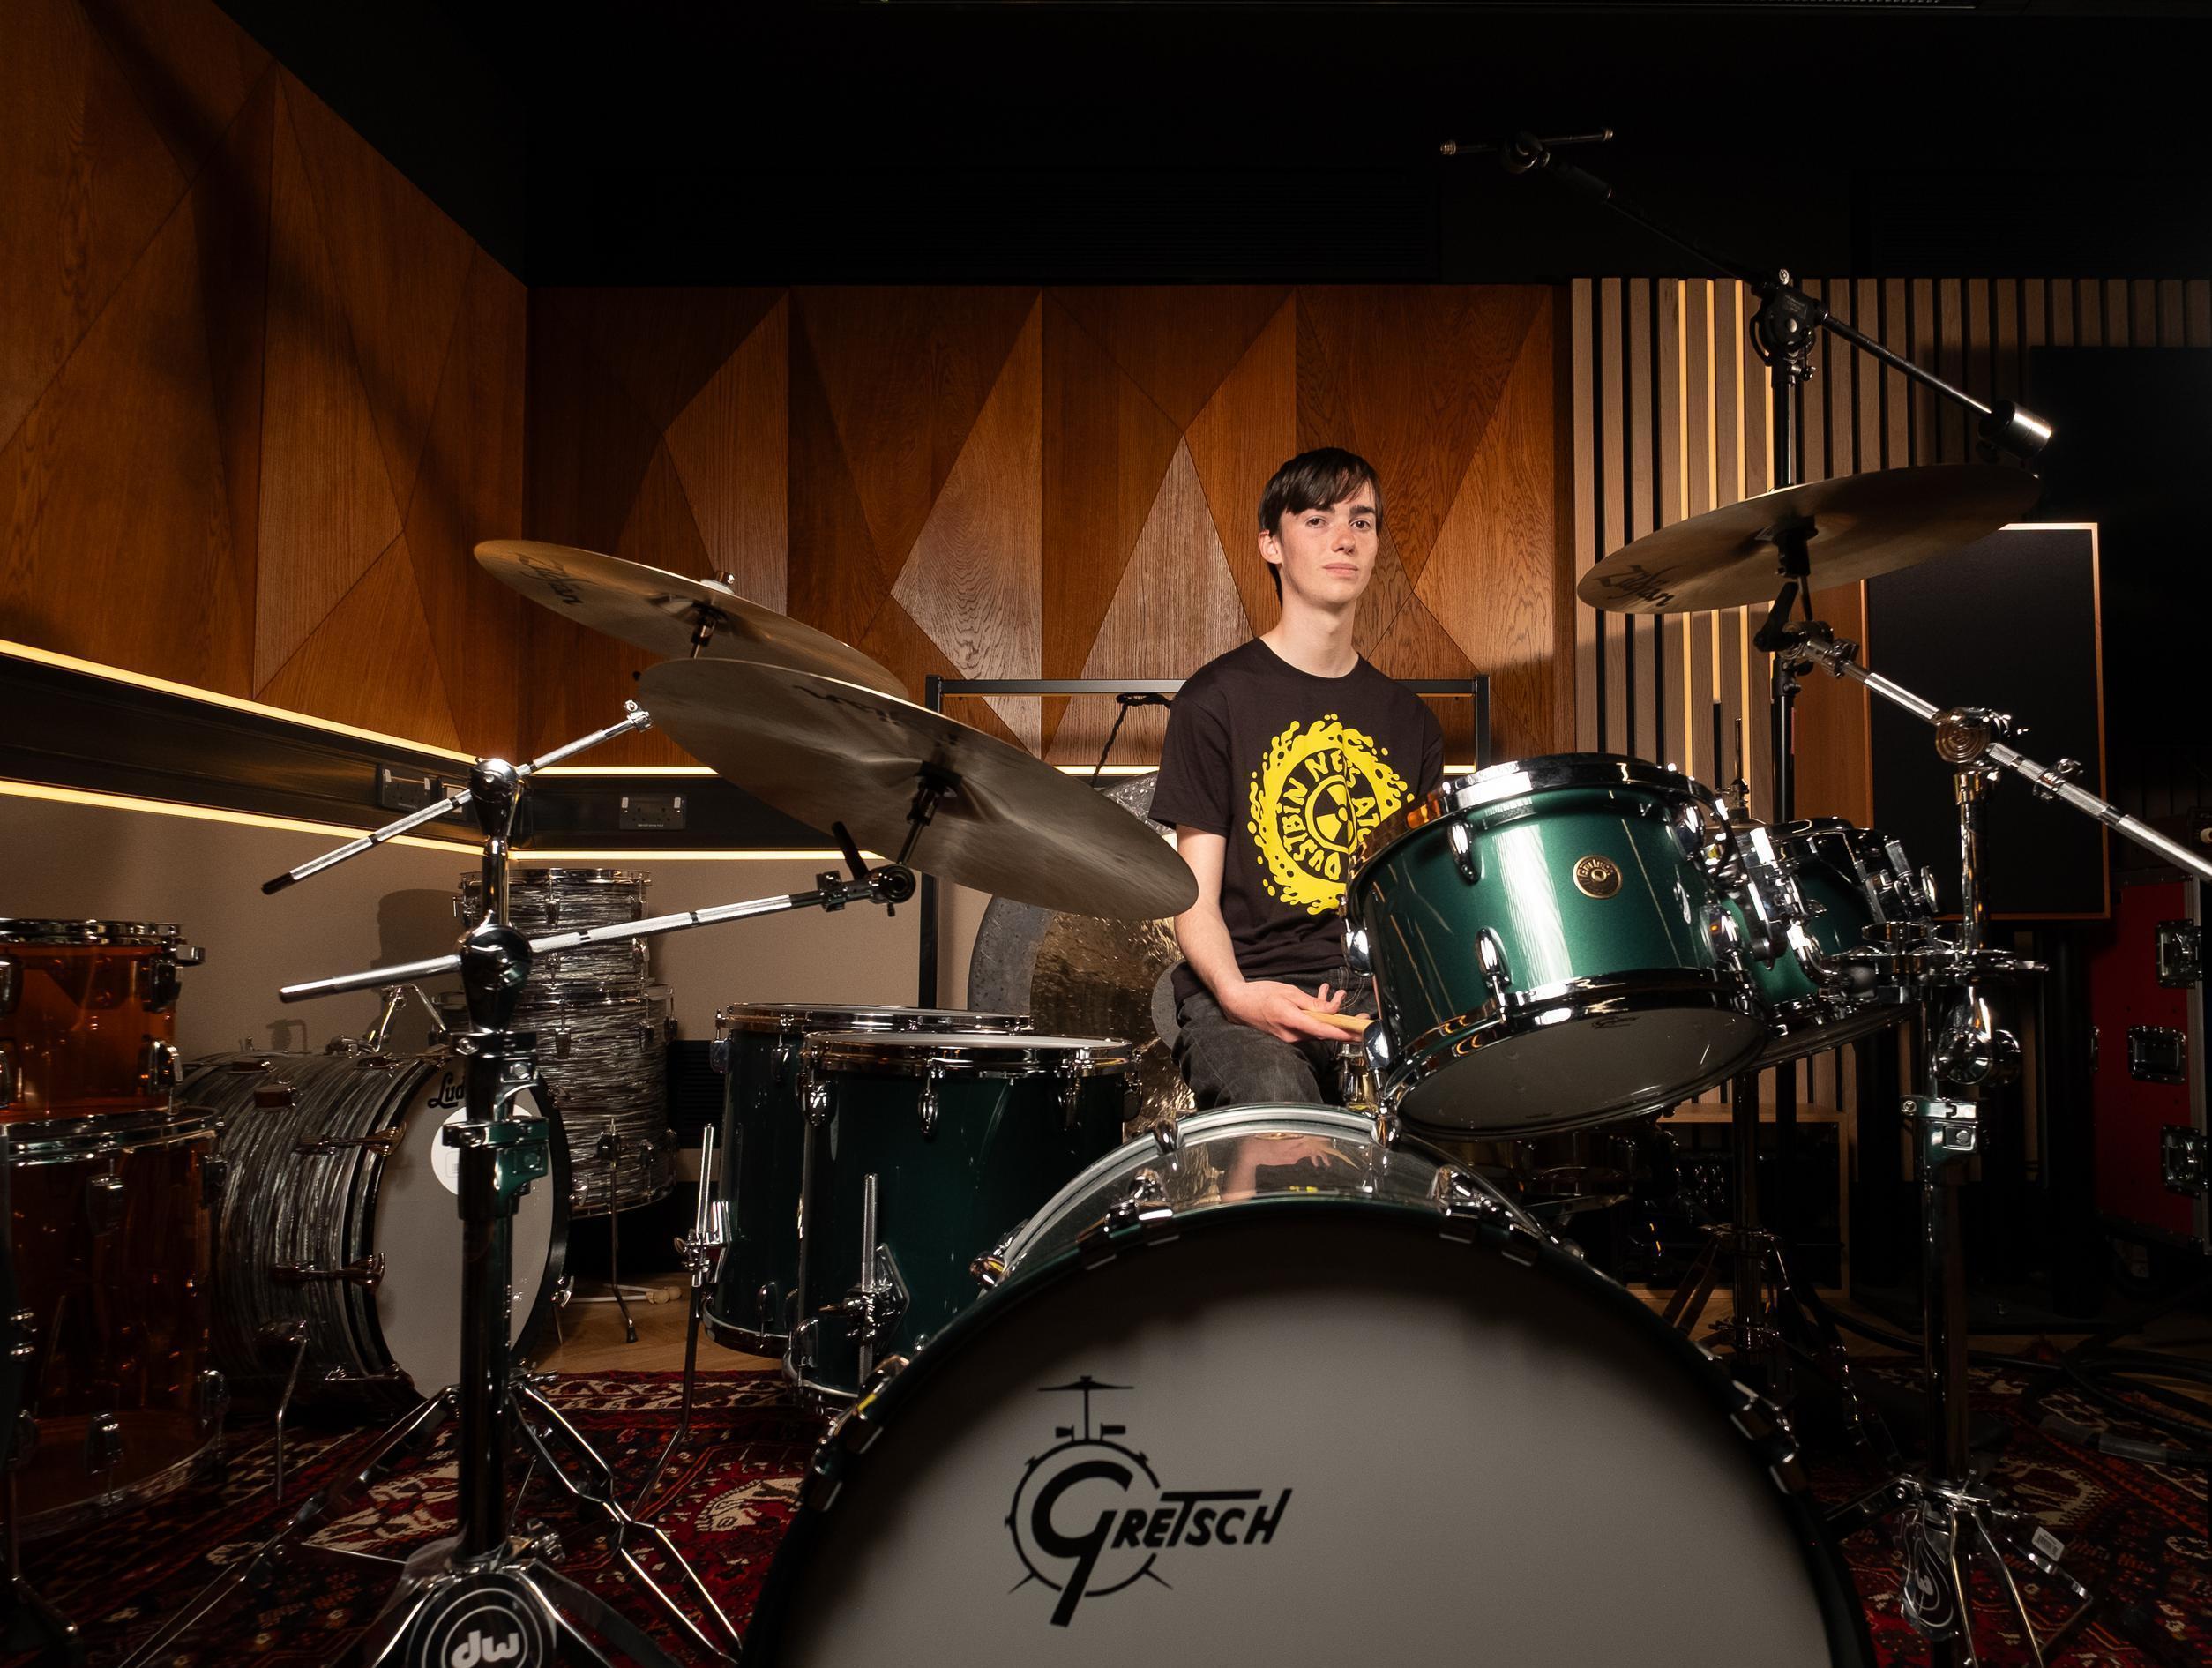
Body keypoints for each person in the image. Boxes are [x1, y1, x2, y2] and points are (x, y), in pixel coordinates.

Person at [1148, 447, 1445, 1109]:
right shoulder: (1214, 701)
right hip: (1249, 988)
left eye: (1362, 523)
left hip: (1373, 998)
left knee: (1469, 1119)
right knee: (1288, 1129)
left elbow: (1416, 906)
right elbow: (1189, 898)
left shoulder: (1412, 722)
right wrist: (1235, 993)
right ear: (1271, 544)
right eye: (1317, 520)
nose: (1345, 538)